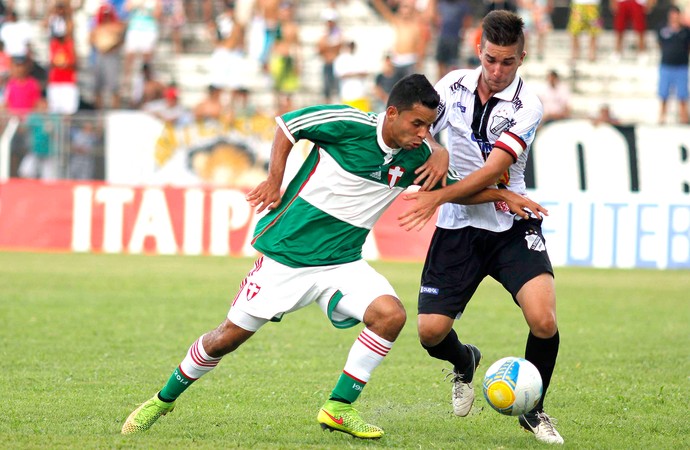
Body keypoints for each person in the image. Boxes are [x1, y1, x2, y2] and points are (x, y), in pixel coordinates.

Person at [120, 73, 545, 439]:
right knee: (225, 338)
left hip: (342, 262)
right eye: (417, 124)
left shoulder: (416, 157)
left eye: (429, 127)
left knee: (391, 315)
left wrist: (503, 193)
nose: (423, 134)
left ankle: (339, 406)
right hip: (287, 257)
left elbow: (459, 185)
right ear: (392, 113)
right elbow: (288, 126)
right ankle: (161, 400)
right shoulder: (348, 123)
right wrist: (274, 180)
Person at [397, 11, 563, 445]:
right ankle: (465, 361)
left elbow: (494, 170)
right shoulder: (451, 86)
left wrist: (437, 195)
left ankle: (534, 410)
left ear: (522, 58)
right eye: (490, 59)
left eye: (507, 62)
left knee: (543, 319)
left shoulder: (528, 106)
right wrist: (436, 149)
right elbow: (417, 129)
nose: (496, 71)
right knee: (430, 334)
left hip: (511, 222)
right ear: (478, 49)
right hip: (458, 227)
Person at [370, 0, 426, 83]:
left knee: (409, 89)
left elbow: (421, 44)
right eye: (403, 7)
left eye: (407, 7)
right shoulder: (397, 21)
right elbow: (383, 10)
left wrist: (420, 60)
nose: (405, 10)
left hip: (410, 61)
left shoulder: (415, 24)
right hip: (397, 61)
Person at [657, 5, 690, 125]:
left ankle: (684, 118)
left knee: (682, 95)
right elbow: (659, 43)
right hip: (666, 66)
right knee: (663, 94)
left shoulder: (685, 31)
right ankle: (662, 117)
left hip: (681, 67)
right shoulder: (663, 29)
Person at [434, 0, 473, 79]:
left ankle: (451, 81)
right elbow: (437, 18)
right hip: (443, 37)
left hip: (455, 38)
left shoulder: (462, 4)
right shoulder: (442, 3)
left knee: (453, 64)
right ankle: (440, 81)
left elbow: (467, 19)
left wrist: (463, 33)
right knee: (440, 61)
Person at [316, 7, 342, 104]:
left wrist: (328, 46)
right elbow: (320, 48)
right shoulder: (324, 34)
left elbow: (338, 46)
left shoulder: (337, 33)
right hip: (328, 64)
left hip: (335, 64)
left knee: (336, 89)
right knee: (327, 90)